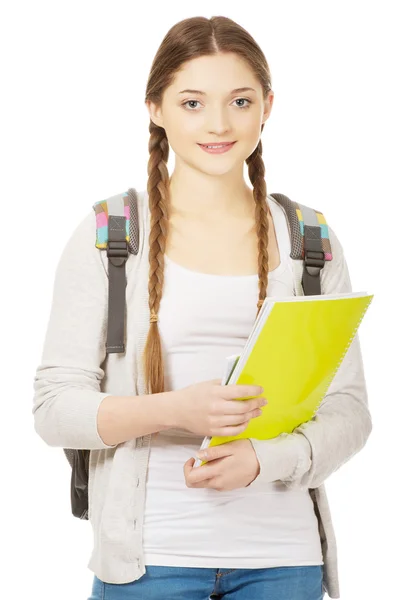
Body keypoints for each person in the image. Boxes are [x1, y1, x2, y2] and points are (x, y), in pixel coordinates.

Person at [32, 15, 372, 600]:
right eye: (192, 102)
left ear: (267, 106)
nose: (218, 124)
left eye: (239, 101)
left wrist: (265, 460)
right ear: (155, 108)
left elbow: (349, 413)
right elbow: (54, 408)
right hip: (148, 564)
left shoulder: (309, 240)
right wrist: (176, 410)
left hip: (284, 563)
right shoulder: (113, 234)